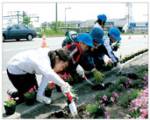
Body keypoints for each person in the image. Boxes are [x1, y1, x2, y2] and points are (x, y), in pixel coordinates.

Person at [6, 48, 72, 104]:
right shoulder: (44, 61)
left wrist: (39, 95)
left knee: (34, 92)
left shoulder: (51, 57)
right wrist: (63, 84)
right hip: (15, 70)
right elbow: (49, 73)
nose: (61, 69)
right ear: (57, 59)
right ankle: (12, 95)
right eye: (62, 66)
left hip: (27, 70)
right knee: (27, 97)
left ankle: (20, 91)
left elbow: (47, 75)